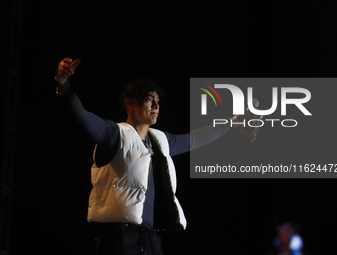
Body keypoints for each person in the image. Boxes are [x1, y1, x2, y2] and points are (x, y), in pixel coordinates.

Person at [55, 57, 260, 255]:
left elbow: (196, 139)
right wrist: (64, 85)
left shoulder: (160, 140)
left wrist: (234, 122)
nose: (156, 105)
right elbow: (82, 118)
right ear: (129, 104)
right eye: (148, 99)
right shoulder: (114, 133)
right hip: (117, 236)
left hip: (150, 237)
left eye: (157, 100)